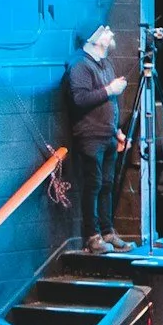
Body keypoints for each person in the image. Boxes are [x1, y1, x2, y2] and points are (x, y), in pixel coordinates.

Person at [66, 23, 130, 255]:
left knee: (106, 185)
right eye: (105, 31)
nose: (111, 33)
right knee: (93, 185)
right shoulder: (79, 65)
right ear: (93, 39)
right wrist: (109, 90)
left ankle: (107, 232)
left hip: (108, 136)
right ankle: (92, 236)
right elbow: (80, 99)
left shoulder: (105, 64)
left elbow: (111, 105)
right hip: (90, 137)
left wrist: (117, 131)